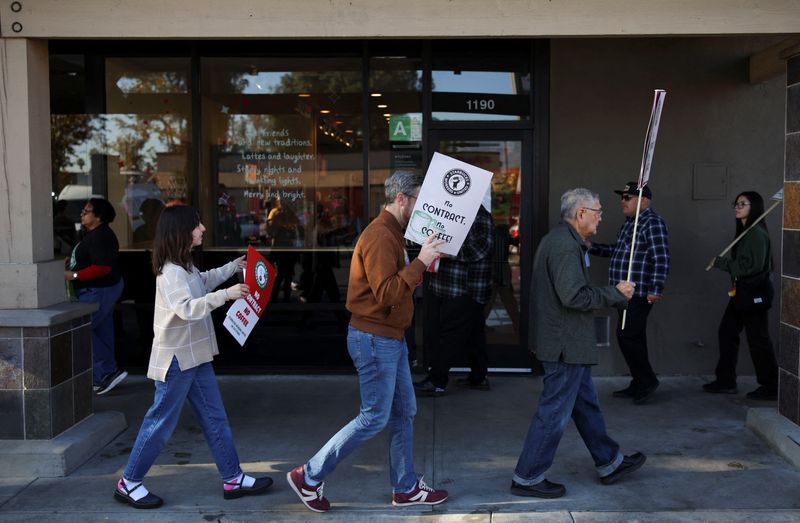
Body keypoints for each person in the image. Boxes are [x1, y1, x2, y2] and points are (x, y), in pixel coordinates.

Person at [286, 171, 448, 513]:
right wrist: (420, 261)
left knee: (405, 410)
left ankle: (405, 488)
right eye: (418, 199)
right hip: (375, 339)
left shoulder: (393, 234)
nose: (422, 206)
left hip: (388, 337)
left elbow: (394, 287)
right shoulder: (380, 236)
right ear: (401, 199)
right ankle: (309, 475)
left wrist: (421, 262)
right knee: (374, 416)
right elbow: (387, 294)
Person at [113, 205, 272, 509]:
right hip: (176, 361)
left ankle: (232, 477)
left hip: (195, 356)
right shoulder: (171, 272)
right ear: (181, 231)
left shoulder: (183, 265)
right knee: (159, 423)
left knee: (215, 419)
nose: (202, 229)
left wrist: (232, 268)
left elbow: (203, 282)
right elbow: (187, 308)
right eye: (197, 225)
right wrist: (227, 295)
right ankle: (128, 482)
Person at [511, 188, 645, 499]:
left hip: (567, 343)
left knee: (584, 405)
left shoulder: (565, 241)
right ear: (580, 213)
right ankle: (527, 477)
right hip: (564, 345)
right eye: (597, 211)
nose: (601, 216)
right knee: (554, 411)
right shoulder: (563, 246)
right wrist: (615, 293)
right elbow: (574, 296)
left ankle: (610, 462)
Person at [588, 182, 670, 404]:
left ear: (643, 201)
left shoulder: (652, 223)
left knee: (627, 336)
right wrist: (591, 247)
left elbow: (661, 257)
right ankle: (639, 381)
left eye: (628, 197)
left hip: (639, 292)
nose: (622, 201)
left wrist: (655, 289)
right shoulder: (630, 224)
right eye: (622, 197)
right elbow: (618, 250)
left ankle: (647, 380)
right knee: (632, 336)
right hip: (622, 293)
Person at [704, 191, 778, 400]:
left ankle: (771, 385)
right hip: (742, 293)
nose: (737, 207)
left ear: (753, 207)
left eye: (742, 204)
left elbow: (749, 267)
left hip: (752, 294)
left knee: (758, 340)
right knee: (727, 332)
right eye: (736, 204)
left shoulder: (756, 234)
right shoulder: (748, 231)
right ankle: (726, 380)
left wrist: (722, 263)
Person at [414, 205, 494, 396]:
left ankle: (437, 382)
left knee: (449, 335)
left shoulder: (480, 214)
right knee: (474, 333)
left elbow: (481, 248)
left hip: (466, 287)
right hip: (448, 284)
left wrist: (449, 253)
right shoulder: (451, 212)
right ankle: (478, 377)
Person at [63, 197, 127, 395]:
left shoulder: (101, 236)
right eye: (83, 210)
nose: (82, 213)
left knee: (82, 329)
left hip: (99, 289)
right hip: (98, 289)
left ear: (98, 217)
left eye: (87, 211)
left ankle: (106, 373)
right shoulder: (94, 234)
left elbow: (102, 267)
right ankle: (105, 375)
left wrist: (73, 275)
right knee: (100, 330)